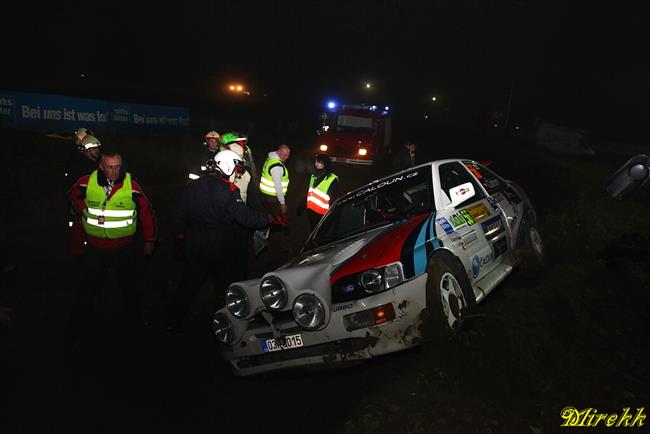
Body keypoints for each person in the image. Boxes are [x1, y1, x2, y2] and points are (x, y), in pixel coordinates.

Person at [167, 150, 271, 333]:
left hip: (195, 245)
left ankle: (172, 322)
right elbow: (245, 218)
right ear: (228, 166)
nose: (237, 173)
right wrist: (268, 219)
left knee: (188, 285)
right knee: (224, 288)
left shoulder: (192, 185)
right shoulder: (229, 190)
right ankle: (222, 325)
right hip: (220, 247)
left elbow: (179, 214)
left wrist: (180, 237)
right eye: (236, 168)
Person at [69, 150, 157, 342]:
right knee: (88, 287)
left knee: (129, 288)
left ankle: (136, 325)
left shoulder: (131, 186)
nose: (115, 171)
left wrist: (149, 241)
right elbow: (73, 194)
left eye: (118, 166)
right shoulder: (86, 182)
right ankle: (79, 326)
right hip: (95, 247)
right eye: (110, 167)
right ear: (101, 166)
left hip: (123, 248)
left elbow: (147, 213)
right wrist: (79, 206)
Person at [64, 135, 102, 256]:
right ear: (87, 150)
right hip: (82, 208)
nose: (98, 152)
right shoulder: (82, 166)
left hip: (87, 207)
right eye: (95, 149)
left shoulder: (88, 163)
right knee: (79, 234)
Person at [259, 144, 291, 253]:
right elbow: (278, 186)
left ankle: (264, 243)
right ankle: (277, 248)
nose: (285, 157)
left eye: (287, 155)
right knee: (279, 223)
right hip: (273, 199)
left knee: (268, 220)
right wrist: (282, 203)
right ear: (278, 152)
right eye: (283, 154)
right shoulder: (277, 166)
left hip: (265, 196)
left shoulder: (270, 159)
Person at [304, 154, 339, 230]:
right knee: (313, 231)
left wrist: (330, 215)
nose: (315, 164)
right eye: (315, 161)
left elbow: (333, 199)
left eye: (318, 162)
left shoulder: (332, 179)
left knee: (319, 234)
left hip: (322, 214)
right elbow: (311, 192)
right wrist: (303, 204)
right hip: (311, 211)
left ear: (325, 164)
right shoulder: (314, 175)